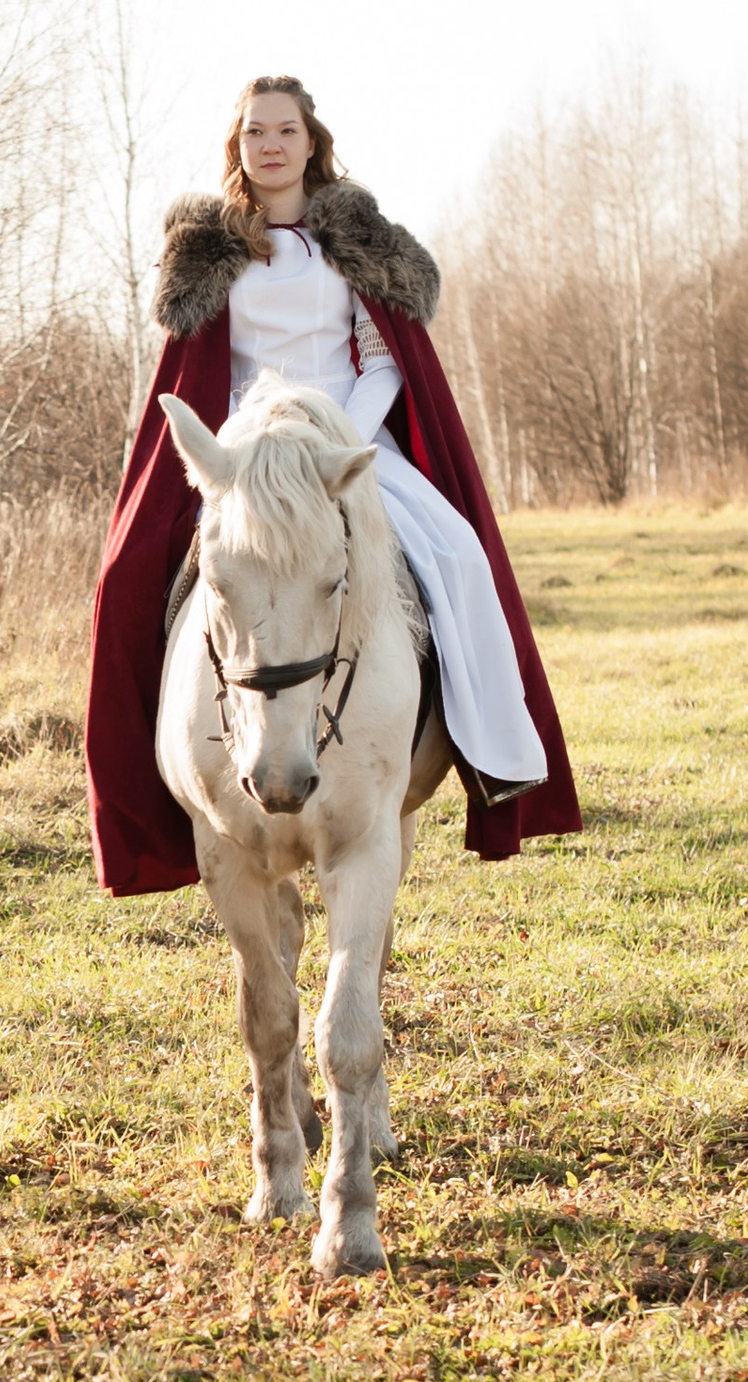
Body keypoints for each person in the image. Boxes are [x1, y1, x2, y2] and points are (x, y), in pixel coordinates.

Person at [85, 72, 580, 898]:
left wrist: (341, 442)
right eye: (254, 133)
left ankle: (495, 752)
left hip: (350, 444)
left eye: (285, 131)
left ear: (310, 141)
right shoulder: (214, 250)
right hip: (248, 456)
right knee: (130, 578)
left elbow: (385, 359)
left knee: (458, 555)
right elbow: (214, 372)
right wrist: (250, 451)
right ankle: (168, 781)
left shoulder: (355, 238)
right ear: (238, 147)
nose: (270, 145)